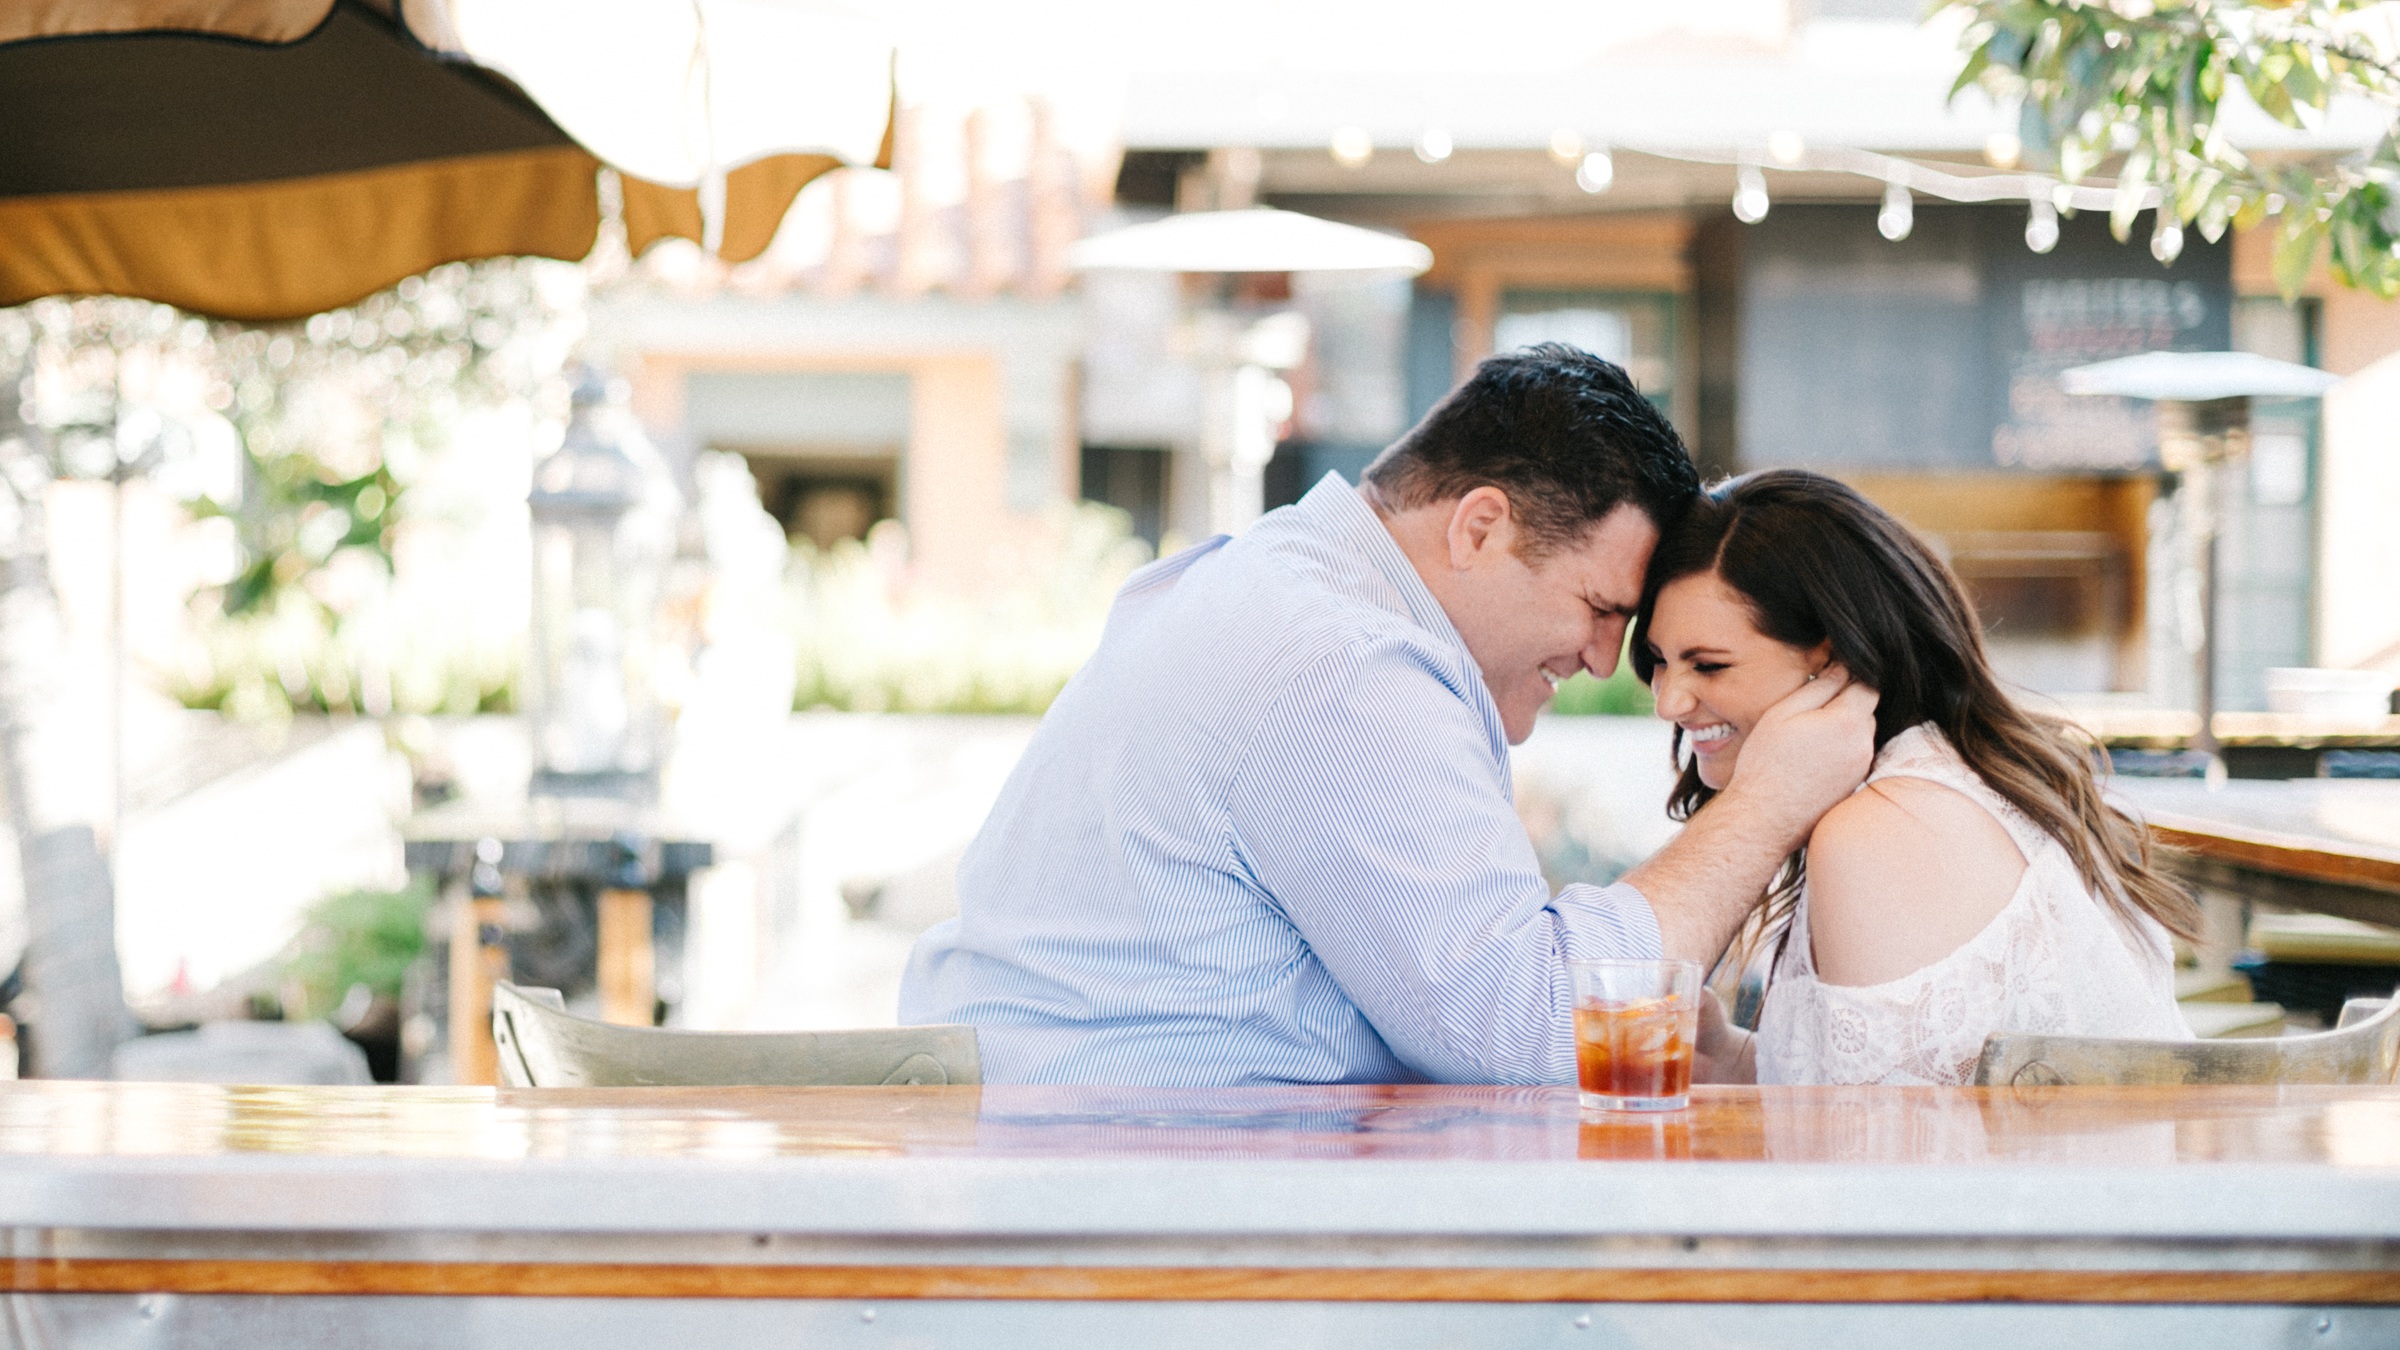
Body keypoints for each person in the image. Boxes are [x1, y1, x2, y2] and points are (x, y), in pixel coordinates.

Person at [899, 346, 1878, 1085]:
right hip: (1132, 1229)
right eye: (1600, 610)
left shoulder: (1276, 584)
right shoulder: (1347, 660)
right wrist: (1766, 802)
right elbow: (1531, 1029)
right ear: (1480, 527)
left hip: (1085, 1176)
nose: (1600, 661)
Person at [1634, 469, 2196, 1086]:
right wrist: (1731, 1057)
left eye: (1709, 666)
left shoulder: (1882, 829)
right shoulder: (1950, 778)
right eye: (1660, 662)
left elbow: (1878, 1164)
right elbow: (1908, 1100)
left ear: (1833, 660)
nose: (1670, 702)